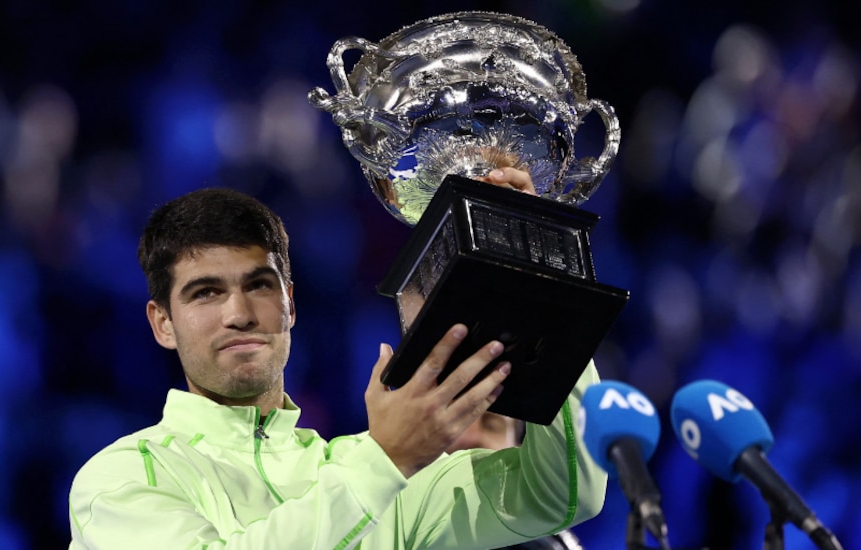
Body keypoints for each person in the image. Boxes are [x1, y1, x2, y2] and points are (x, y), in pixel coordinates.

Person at [67, 171, 606, 549]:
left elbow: (562, 495)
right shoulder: (120, 478)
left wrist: (536, 278)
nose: (239, 313)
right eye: (205, 293)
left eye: (259, 285)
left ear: (290, 304)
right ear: (162, 322)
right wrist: (384, 460)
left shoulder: (371, 476)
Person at [447, 412, 586, 550]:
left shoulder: (546, 545)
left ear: (521, 453)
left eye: (491, 426)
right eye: (459, 423)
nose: (469, 437)